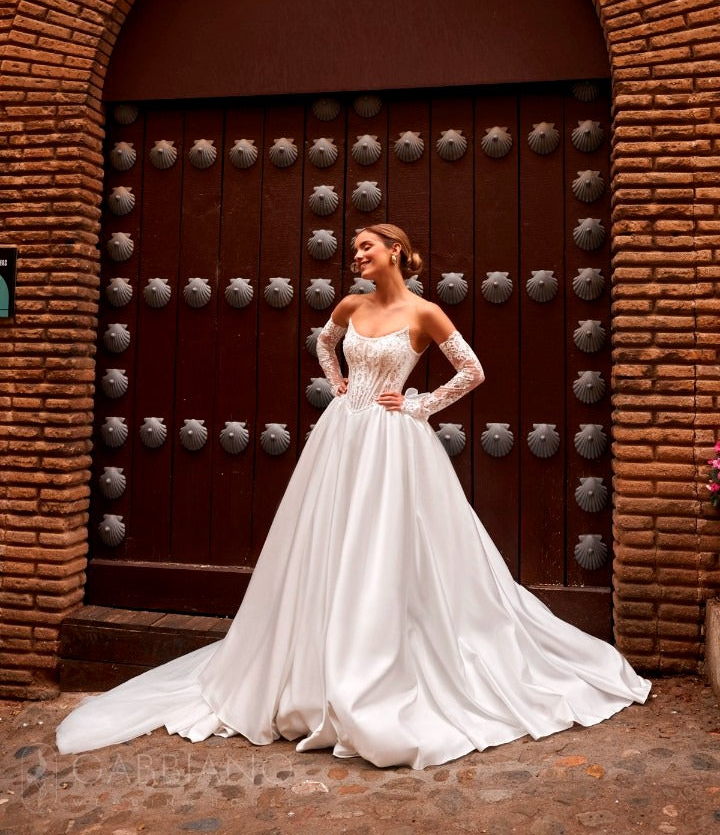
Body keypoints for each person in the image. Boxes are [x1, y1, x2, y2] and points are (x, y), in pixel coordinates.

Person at [55, 223, 650, 769]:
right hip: (343, 433)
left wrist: (418, 404)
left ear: (395, 251)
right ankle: (314, 663)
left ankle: (381, 656)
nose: (356, 255)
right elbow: (325, 342)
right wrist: (337, 382)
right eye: (354, 249)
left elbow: (472, 371)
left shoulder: (425, 313)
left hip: (392, 439)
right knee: (329, 538)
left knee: (383, 543)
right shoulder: (349, 305)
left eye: (366, 246)